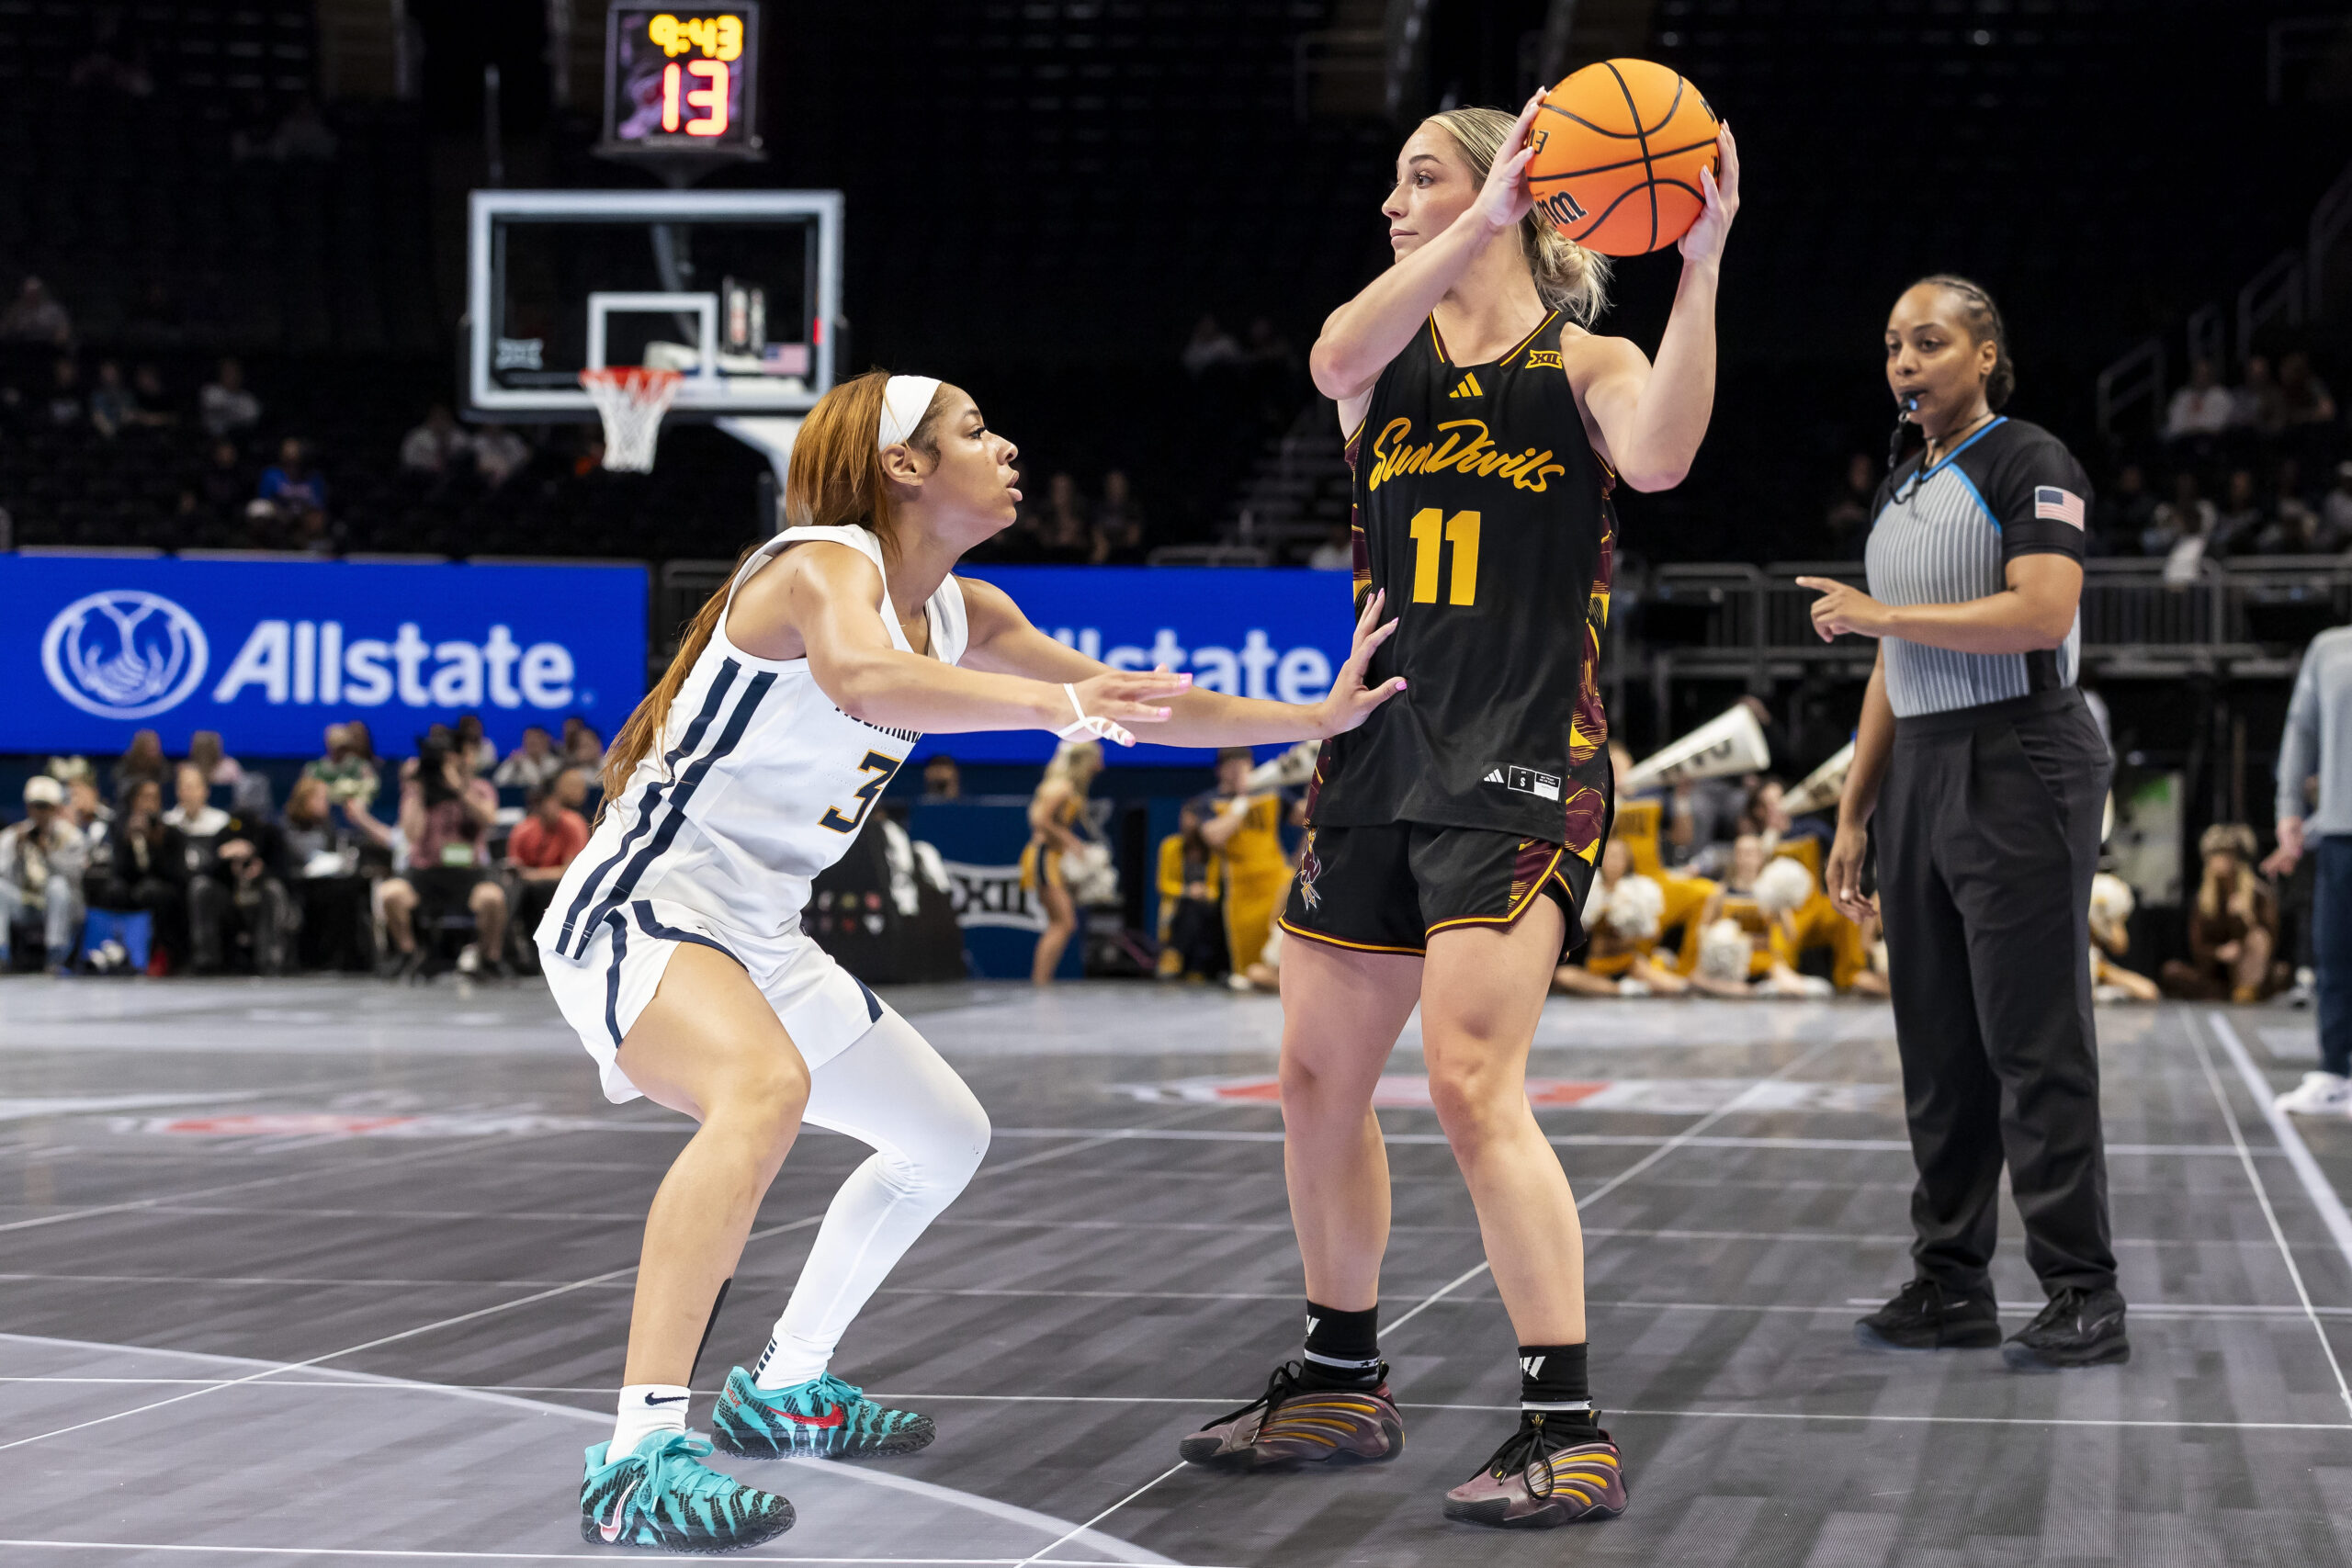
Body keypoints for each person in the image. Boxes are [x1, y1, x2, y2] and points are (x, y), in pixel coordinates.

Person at [533, 368, 1400, 1550]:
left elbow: (1134, 703)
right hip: (644, 905)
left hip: (758, 934)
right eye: (974, 431)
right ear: (902, 465)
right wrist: (1057, 708)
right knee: (761, 1091)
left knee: (942, 1136)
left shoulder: (969, 613)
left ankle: (784, 1384)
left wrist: (1312, 720)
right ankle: (638, 1456)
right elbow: (862, 678)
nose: (1006, 448)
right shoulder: (818, 563)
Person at [1182, 96, 1737, 1530]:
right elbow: (1329, 357)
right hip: (1377, 753)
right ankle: (1338, 1373)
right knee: (1315, 1077)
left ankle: (1568, 1424)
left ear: (1516, 186)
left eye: (1421, 176)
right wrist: (1477, 222)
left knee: (1472, 1080)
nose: (1391, 200)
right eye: (1396, 179)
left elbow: (1663, 459)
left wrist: (1702, 264)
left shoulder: (1590, 361)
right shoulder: (1382, 357)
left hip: (1523, 756)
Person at [1805, 274, 2124, 1372]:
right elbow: (1891, 664)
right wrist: (1854, 810)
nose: (1905, 361)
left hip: (2021, 753)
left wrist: (1880, 614)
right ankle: (1950, 1284)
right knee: (1938, 1047)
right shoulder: (1906, 483)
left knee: (2031, 1039)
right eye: (1894, 344)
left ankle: (2083, 1291)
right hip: (1923, 767)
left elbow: (2041, 611)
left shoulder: (2029, 460)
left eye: (1930, 341)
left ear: (1985, 354)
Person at [2268, 619, 2352, 1112]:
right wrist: (2289, 810)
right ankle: (2336, 1072)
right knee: (2335, 957)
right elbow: (2300, 730)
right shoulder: (2330, 648)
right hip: (2341, 830)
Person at [379, 732, 508, 981]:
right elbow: (411, 835)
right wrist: (416, 790)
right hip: (425, 873)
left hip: (468, 874)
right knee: (390, 894)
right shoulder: (419, 791)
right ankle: (409, 953)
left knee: (493, 898)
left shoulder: (479, 789)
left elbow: (489, 819)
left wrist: (458, 786)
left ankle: (489, 958)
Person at [1196, 748, 1290, 981]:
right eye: (1232, 765)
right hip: (1242, 891)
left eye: (1244, 763)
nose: (1239, 770)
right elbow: (1214, 836)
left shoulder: (1271, 793)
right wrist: (1241, 801)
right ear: (1220, 770)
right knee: (1247, 970)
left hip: (1276, 881)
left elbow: (1307, 814)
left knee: (1285, 950)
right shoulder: (1209, 801)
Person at [2162, 825, 2284, 1001]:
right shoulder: (2204, 897)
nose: (2222, 861)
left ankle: (2245, 990)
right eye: (2217, 855)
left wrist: (2246, 917)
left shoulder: (2259, 894)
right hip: (2216, 972)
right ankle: (2227, 994)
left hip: (2250, 969)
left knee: (2266, 950)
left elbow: (2268, 941)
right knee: (2172, 971)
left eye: (2227, 855)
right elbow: (2197, 945)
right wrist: (2219, 952)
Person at [1019, 739, 1104, 984]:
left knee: (1062, 922)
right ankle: (1040, 982)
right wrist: (1071, 842)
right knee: (1063, 922)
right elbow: (1039, 820)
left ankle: (1042, 980)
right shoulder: (1061, 788)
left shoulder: (1069, 788)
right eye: (1097, 760)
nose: (1100, 766)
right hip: (1044, 856)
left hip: (1054, 857)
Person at [91, 779, 192, 971]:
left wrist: (156, 845)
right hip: (131, 888)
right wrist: (129, 843)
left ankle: (161, 951)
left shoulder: (171, 833)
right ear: (134, 801)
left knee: (151, 892)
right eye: (144, 797)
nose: (149, 803)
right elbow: (118, 871)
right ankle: (113, 949)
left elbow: (178, 876)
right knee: (113, 890)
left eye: (154, 798)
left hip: (164, 891)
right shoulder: (119, 830)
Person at [0, 776, 87, 972]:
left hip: (60, 905)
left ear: (55, 808)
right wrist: (17, 853)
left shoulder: (72, 837)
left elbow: (75, 877)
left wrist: (48, 854)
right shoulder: (14, 835)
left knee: (58, 886)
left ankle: (55, 955)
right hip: (25, 902)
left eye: (45, 807)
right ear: (28, 808)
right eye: (35, 806)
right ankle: (1, 954)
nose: (40, 812)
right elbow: (3, 873)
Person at [506, 780, 590, 954]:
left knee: (537, 888)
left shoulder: (573, 824)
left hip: (564, 887)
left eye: (545, 801)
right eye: (537, 803)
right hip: (528, 890)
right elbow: (515, 870)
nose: (543, 808)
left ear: (556, 800)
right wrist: (525, 876)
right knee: (515, 889)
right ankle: (510, 945)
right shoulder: (522, 830)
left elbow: (572, 872)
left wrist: (533, 876)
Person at [1155, 799, 1228, 979]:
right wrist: (1188, 891)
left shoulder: (1216, 851)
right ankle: (1185, 961)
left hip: (1210, 906)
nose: (1188, 824)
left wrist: (1205, 892)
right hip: (1179, 905)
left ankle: (1182, 958)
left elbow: (1217, 889)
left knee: (1203, 910)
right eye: (1184, 818)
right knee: (1190, 908)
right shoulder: (1170, 846)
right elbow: (1163, 884)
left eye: (1193, 819)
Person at [2162, 356, 2233, 444]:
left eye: (2204, 374)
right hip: (2181, 441)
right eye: (2197, 374)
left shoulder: (2221, 395)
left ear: (2211, 375)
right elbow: (2174, 423)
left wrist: (2195, 430)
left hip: (2209, 442)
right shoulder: (2182, 395)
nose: (2200, 378)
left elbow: (2216, 425)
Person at [198, 356, 260, 438]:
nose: (232, 376)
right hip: (212, 438)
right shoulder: (211, 391)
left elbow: (252, 416)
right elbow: (214, 406)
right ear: (220, 373)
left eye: (235, 372)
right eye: (228, 372)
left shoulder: (248, 399)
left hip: (240, 438)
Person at [494, 725, 566, 792]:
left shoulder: (555, 763)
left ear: (545, 740)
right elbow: (498, 781)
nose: (531, 742)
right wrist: (512, 764)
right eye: (528, 739)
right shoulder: (515, 759)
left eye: (536, 740)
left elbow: (538, 784)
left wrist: (525, 764)